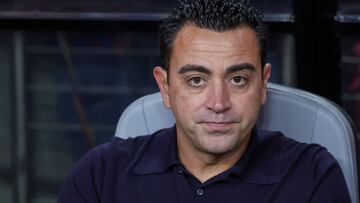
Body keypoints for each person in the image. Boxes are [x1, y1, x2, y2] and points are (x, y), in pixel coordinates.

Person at [58, 0, 351, 202]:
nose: (219, 103)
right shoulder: (101, 174)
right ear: (165, 86)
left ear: (263, 84)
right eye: (196, 80)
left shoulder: (311, 175)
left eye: (238, 80)